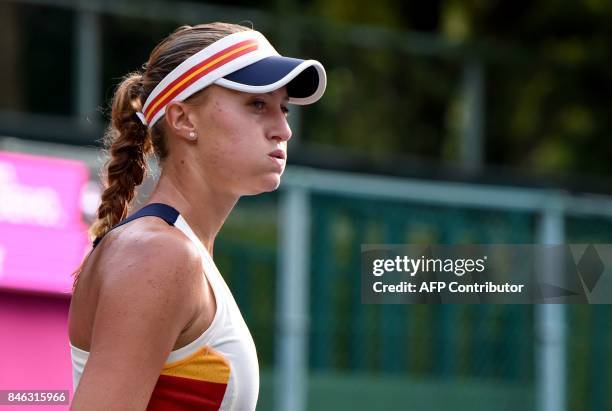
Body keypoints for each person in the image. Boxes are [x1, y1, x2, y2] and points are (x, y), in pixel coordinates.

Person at [67, 22, 326, 410]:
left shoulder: (173, 249)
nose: (283, 130)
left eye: (283, 108)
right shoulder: (159, 254)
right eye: (257, 104)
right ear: (183, 119)